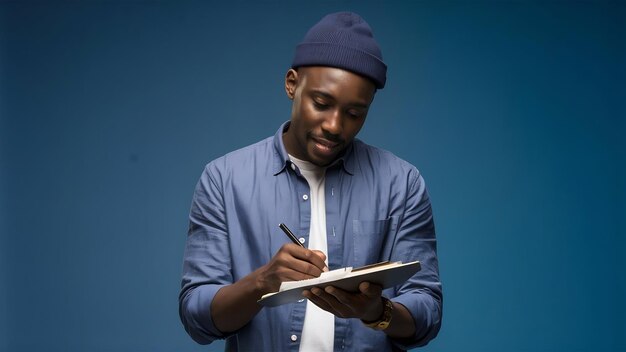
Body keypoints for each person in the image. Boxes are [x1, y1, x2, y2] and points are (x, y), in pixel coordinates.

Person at [179, 11, 442, 351]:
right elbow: (197, 317)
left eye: (354, 113)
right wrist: (263, 282)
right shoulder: (224, 179)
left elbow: (428, 310)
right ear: (292, 84)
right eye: (321, 103)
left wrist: (378, 311)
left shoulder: (402, 183)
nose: (334, 125)